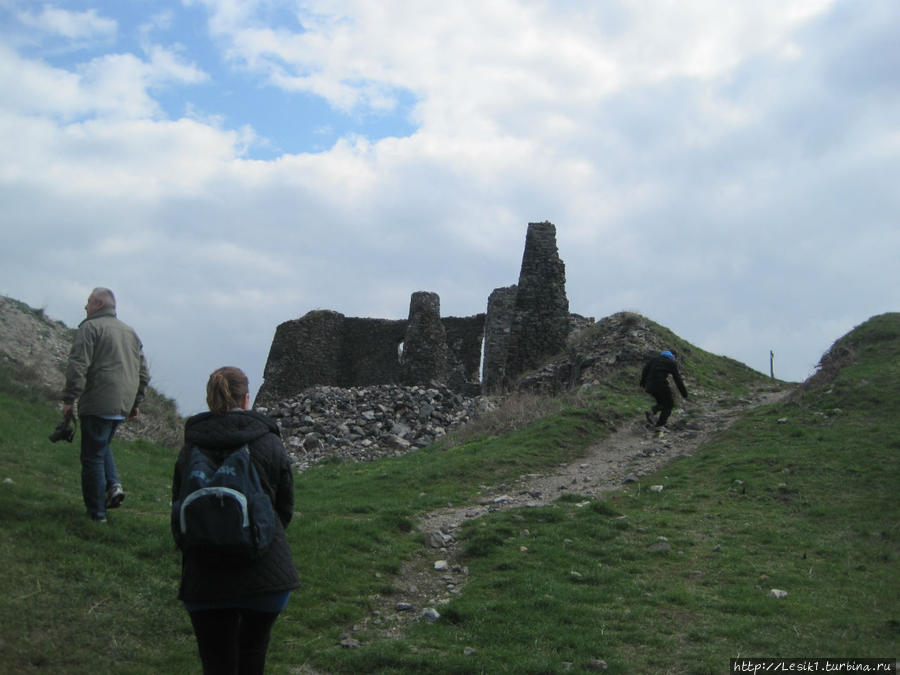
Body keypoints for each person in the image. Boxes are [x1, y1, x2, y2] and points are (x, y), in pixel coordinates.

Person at [172, 366, 300, 675]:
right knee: (253, 651)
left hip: (204, 578)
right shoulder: (268, 442)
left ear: (210, 398)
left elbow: (179, 509)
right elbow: (284, 508)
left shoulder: (191, 446)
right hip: (266, 576)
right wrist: (258, 537)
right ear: (246, 399)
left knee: (217, 663)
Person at [62, 287, 150, 522]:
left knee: (92, 457)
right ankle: (113, 485)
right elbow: (144, 373)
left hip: (98, 401)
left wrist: (69, 399)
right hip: (122, 405)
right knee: (101, 445)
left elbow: (78, 365)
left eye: (89, 302)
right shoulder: (130, 333)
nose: (85, 306)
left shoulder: (90, 327)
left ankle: (97, 514)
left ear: (99, 305)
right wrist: (135, 402)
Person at [639, 349, 689, 427]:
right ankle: (660, 424)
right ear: (673, 356)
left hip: (650, 385)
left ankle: (652, 412)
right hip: (661, 384)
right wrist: (684, 394)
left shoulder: (654, 359)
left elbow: (645, 370)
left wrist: (642, 383)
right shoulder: (671, 362)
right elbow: (677, 379)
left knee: (662, 403)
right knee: (669, 404)